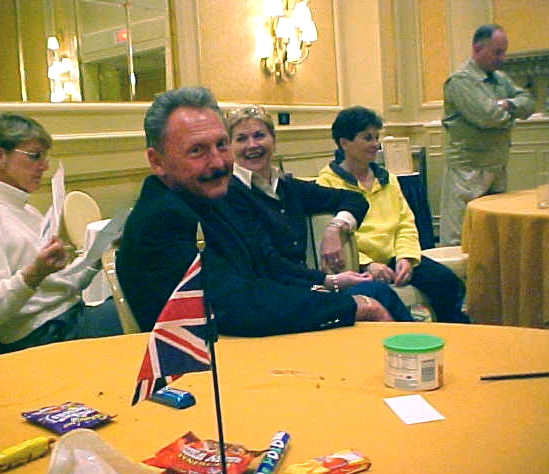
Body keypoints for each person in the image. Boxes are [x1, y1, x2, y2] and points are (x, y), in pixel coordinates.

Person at [116, 87, 394, 337]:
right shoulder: (163, 219)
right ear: (157, 161)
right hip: (219, 359)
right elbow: (238, 304)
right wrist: (351, 305)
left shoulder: (208, 195)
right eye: (198, 150)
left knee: (377, 297)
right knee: (372, 302)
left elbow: (265, 266)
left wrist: (329, 285)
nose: (218, 162)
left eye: (221, 145)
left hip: (250, 332)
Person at [0, 113, 122, 352]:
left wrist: (97, 254)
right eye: (34, 156)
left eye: (44, 156)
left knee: (141, 298)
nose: (44, 166)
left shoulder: (26, 211)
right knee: (146, 308)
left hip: (66, 320)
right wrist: (32, 275)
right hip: (42, 337)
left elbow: (60, 286)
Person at [225, 105, 413, 320]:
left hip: (304, 288)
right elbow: (268, 261)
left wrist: (335, 228)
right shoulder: (231, 193)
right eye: (241, 139)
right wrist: (328, 281)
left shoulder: (288, 188)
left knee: (378, 292)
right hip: (270, 298)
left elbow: (354, 199)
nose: (252, 145)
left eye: (259, 135)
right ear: (229, 148)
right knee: (373, 297)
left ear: (274, 141)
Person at [316, 106, 470, 324]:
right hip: (357, 265)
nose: (374, 144)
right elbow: (333, 239)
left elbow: (405, 223)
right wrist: (367, 264)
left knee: (447, 282)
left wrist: (405, 257)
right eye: (367, 138)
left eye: (376, 137)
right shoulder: (327, 182)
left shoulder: (388, 179)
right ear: (344, 143)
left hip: (394, 257)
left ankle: (453, 331)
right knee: (383, 298)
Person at [439, 24, 534, 245]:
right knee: (461, 238)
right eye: (497, 52)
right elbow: (488, 117)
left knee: (493, 235)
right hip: (467, 172)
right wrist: (510, 113)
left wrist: (506, 104)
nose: (502, 58)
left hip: (496, 167)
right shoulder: (461, 80)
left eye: (504, 52)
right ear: (477, 49)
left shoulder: (500, 79)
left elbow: (529, 103)